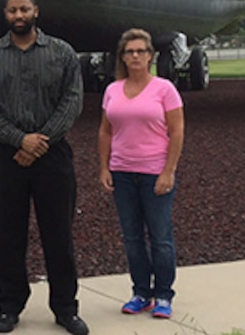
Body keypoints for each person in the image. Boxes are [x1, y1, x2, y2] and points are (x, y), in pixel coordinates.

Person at [0, 0, 88, 335]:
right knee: (8, 236)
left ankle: (66, 308)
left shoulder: (62, 53)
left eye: (24, 9)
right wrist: (18, 139)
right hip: (7, 158)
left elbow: (71, 103)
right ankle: (9, 306)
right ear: (5, 14)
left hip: (52, 156)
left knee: (59, 236)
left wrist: (39, 141)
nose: (19, 15)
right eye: (12, 10)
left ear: (36, 11)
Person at [98, 28, 185, 320]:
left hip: (154, 172)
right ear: (122, 57)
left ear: (150, 56)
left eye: (141, 51)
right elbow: (105, 130)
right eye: (129, 52)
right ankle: (140, 292)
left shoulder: (164, 89)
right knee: (132, 237)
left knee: (160, 237)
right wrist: (104, 167)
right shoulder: (112, 90)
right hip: (122, 172)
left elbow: (177, 131)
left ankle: (163, 294)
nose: (135, 56)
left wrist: (168, 171)